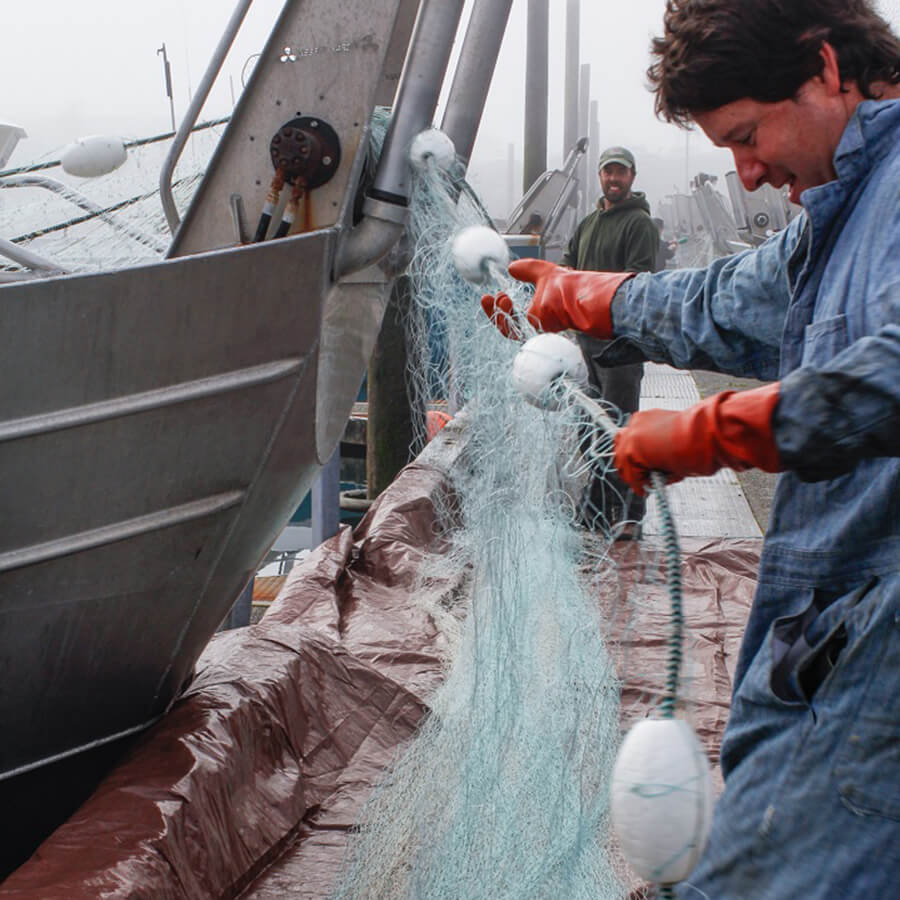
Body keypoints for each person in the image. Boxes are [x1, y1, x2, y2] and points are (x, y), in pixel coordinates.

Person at [481, 0, 900, 895]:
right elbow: (725, 299)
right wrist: (582, 297)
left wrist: (719, 432)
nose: (747, 176)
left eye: (748, 135)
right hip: (828, 644)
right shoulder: (845, 209)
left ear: (827, 67)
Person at [561, 146, 660, 535]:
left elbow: (638, 282)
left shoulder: (639, 225)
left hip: (620, 346)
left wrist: (590, 296)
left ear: (632, 177)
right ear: (599, 177)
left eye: (620, 173)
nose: (613, 179)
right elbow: (567, 268)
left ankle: (626, 514)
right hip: (584, 343)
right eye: (607, 172)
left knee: (619, 429)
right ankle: (606, 509)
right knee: (590, 431)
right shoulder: (587, 224)